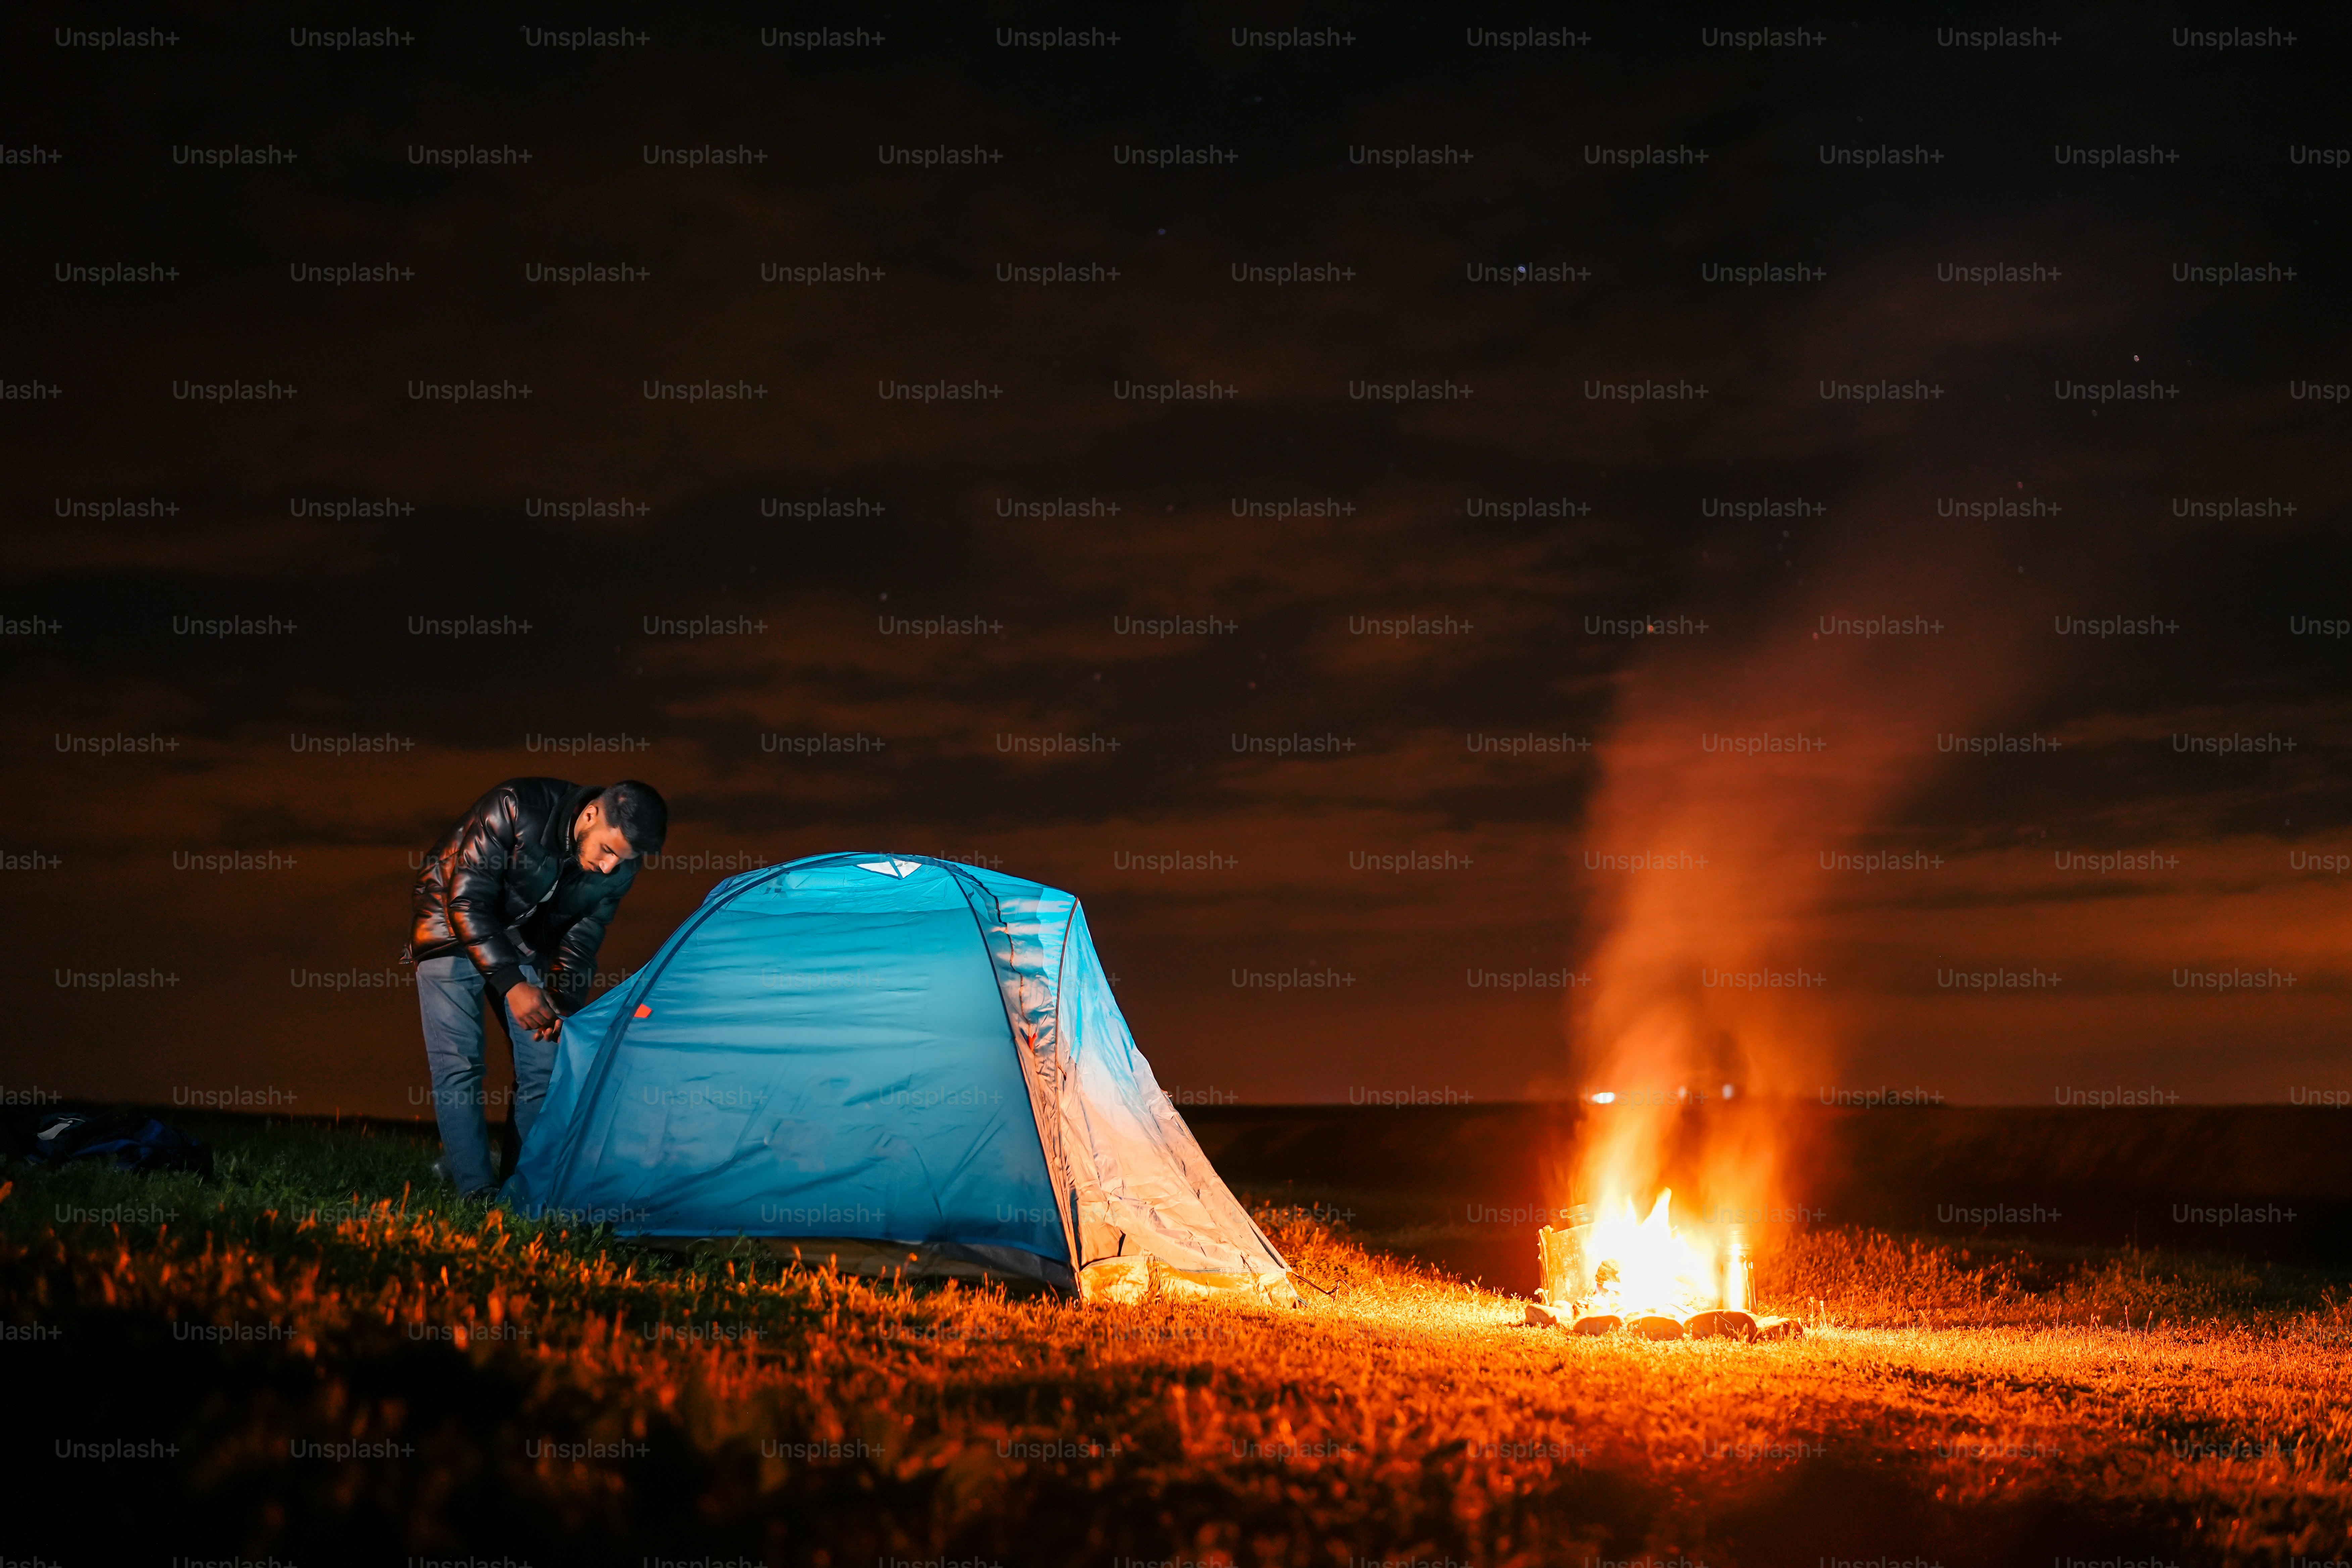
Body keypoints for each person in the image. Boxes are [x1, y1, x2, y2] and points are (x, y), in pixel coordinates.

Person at [406, 778, 666, 1198]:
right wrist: (511, 985)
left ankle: (520, 1188)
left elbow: (583, 938)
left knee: (544, 1064)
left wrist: (560, 1004)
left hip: (521, 942)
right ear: (590, 815)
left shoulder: (621, 867)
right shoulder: (515, 807)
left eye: (623, 859)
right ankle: (476, 1189)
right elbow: (466, 900)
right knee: (459, 1063)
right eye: (607, 850)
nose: (608, 868)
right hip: (448, 926)